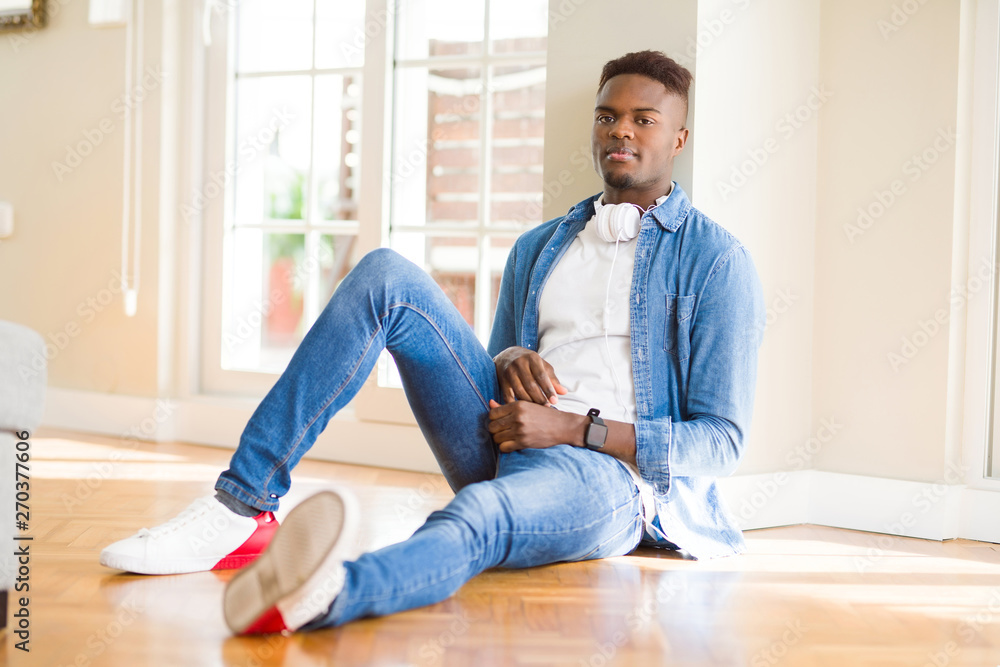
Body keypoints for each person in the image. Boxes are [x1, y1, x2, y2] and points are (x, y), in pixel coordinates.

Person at [100, 50, 765, 635]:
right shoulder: (541, 246)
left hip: (609, 481)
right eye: (606, 115)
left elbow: (720, 442)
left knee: (476, 513)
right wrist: (508, 358)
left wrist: (573, 428)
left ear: (678, 136)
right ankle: (241, 504)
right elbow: (499, 361)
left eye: (642, 118)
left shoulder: (715, 261)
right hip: (504, 436)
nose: (620, 128)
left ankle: (323, 594)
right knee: (386, 273)